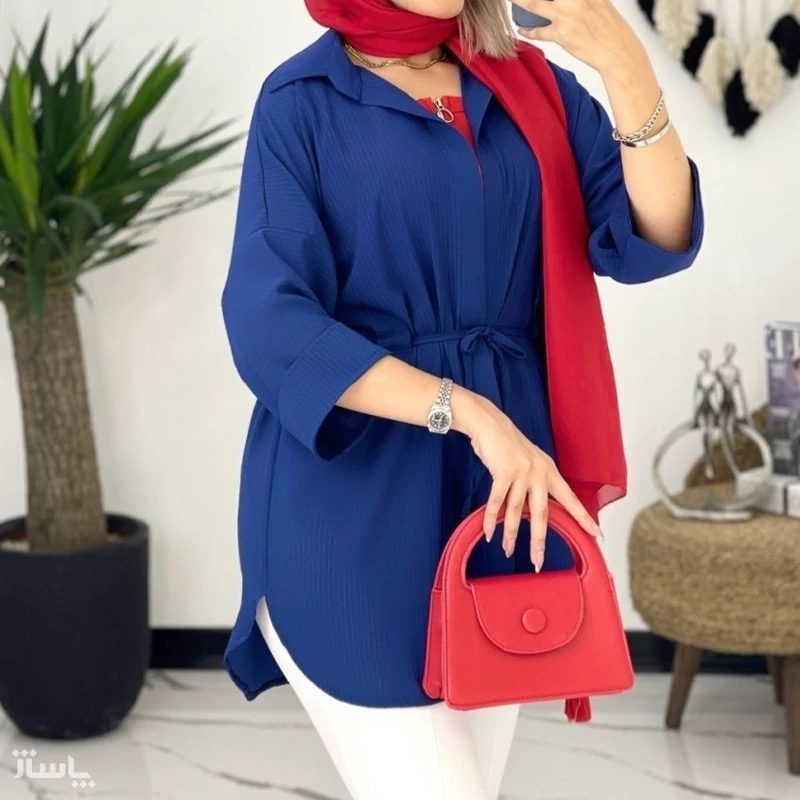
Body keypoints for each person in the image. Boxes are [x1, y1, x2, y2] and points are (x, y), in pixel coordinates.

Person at [220, 1, 705, 797]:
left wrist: (627, 65)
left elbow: (656, 235)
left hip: (497, 509)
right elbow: (270, 322)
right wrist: (470, 412)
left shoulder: (526, 83)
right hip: (353, 511)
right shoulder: (301, 100)